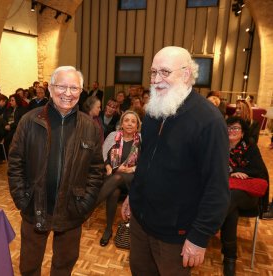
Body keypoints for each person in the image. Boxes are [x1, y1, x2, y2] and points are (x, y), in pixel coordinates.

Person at [120, 46, 230, 275]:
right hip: (141, 222)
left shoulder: (209, 121)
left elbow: (217, 187)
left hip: (175, 235)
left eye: (164, 72)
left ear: (186, 74)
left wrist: (199, 237)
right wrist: (133, 196)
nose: (156, 80)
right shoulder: (153, 110)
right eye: (153, 72)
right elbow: (145, 163)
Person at [8, 66, 104, 275]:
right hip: (34, 204)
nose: (68, 93)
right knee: (29, 265)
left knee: (64, 265)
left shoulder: (90, 127)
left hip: (72, 209)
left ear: (81, 91)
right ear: (50, 88)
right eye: (62, 86)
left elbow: (96, 170)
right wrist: (22, 198)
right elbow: (15, 162)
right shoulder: (29, 121)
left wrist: (85, 203)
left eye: (74, 88)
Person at [221, 116, 269, 275]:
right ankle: (229, 259)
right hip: (227, 197)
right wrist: (233, 173)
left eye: (235, 128)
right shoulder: (219, 147)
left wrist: (242, 172)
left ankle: (207, 226)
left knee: (232, 197)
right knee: (231, 213)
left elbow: (260, 172)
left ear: (242, 133)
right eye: (228, 127)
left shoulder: (250, 148)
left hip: (248, 196)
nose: (231, 131)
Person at [97, 111, 141, 247]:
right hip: (112, 175)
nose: (129, 123)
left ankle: (89, 206)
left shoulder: (141, 139)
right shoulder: (112, 136)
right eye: (126, 120)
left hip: (132, 178)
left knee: (117, 177)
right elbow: (103, 154)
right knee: (114, 191)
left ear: (137, 125)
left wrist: (132, 169)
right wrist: (109, 167)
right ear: (121, 123)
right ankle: (108, 229)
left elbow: (146, 161)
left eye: (133, 121)